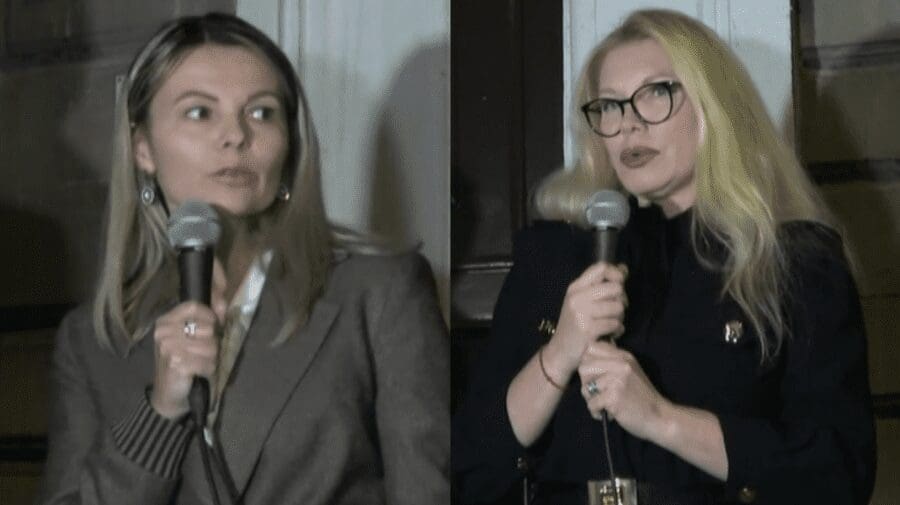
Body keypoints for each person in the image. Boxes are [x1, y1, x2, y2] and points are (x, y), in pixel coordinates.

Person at [452, 9, 875, 505]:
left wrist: (660, 419)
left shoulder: (795, 261)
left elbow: (836, 474)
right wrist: (559, 353)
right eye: (609, 105)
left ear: (712, 107)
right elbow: (471, 466)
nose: (629, 124)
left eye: (656, 93)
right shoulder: (555, 258)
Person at [37, 13, 449, 505]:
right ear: (142, 148)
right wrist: (161, 412)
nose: (235, 135)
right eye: (199, 112)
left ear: (289, 144)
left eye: (261, 113)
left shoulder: (378, 291)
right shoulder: (90, 341)